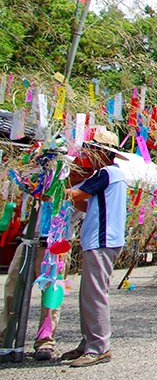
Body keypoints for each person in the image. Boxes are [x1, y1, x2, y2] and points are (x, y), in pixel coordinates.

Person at [0, 156, 85, 360]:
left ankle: (45, 341)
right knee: (12, 288)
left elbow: (78, 213)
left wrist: (65, 194)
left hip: (56, 245)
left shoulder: (81, 187)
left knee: (52, 296)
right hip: (29, 240)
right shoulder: (38, 180)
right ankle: (5, 336)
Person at [62, 129, 127, 367]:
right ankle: (88, 341)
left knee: (96, 294)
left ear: (102, 152)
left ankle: (99, 347)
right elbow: (82, 201)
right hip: (99, 240)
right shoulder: (107, 175)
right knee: (88, 294)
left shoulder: (106, 173)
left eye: (91, 150)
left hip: (103, 240)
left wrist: (52, 186)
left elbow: (76, 194)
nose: (87, 154)